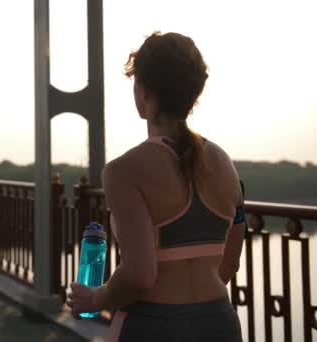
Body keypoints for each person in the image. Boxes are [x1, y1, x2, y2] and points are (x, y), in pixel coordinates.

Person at [67, 31, 246, 341]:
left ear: (144, 92)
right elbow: (230, 262)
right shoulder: (224, 164)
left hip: (153, 325)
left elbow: (139, 274)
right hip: (219, 322)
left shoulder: (124, 171)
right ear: (192, 94)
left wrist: (96, 298)